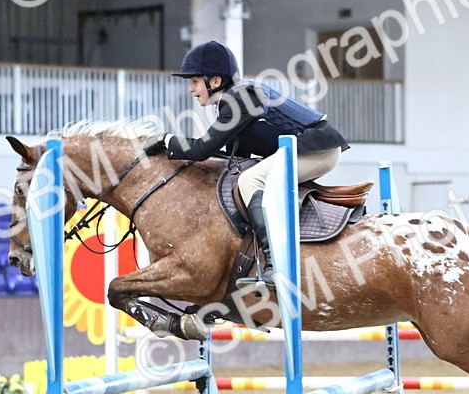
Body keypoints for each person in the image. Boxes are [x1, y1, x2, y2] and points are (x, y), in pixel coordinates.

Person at [143, 41, 349, 283]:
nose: (191, 88)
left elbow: (201, 149)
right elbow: (231, 157)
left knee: (250, 180)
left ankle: (274, 263)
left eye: (195, 81)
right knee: (241, 176)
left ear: (215, 81)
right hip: (305, 148)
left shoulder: (239, 99)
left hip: (317, 150)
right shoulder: (231, 101)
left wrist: (166, 139)